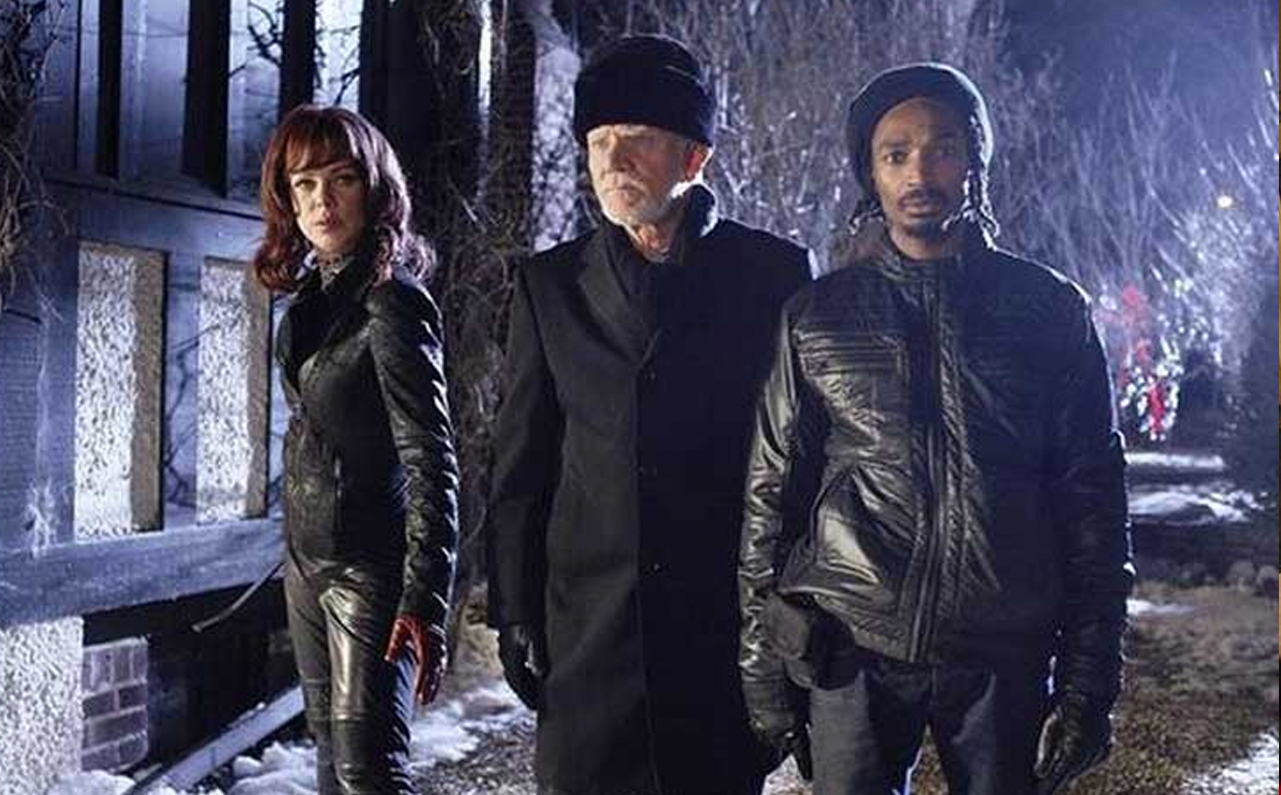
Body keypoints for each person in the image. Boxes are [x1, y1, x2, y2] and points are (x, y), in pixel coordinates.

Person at [737, 63, 1134, 795]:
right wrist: (764, 668)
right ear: (871, 173)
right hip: (852, 645)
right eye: (896, 154)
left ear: (974, 161)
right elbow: (771, 495)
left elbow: (1094, 503)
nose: (919, 173)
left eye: (941, 149)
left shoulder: (1048, 310)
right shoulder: (818, 316)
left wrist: (1088, 685)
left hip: (1004, 652)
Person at [486, 34, 814, 795]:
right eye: (599, 141)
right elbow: (521, 462)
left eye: (637, 138)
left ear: (695, 156)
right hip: (588, 628)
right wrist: (515, 608)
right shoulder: (550, 286)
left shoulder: (769, 275)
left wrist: (791, 616)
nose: (613, 160)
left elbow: (803, 459)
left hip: (716, 628)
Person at [254, 105, 459, 795]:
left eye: (340, 179)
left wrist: (424, 596)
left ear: (373, 189)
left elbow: (430, 454)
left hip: (371, 571)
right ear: (287, 197)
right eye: (304, 183)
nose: (322, 201)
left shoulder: (392, 303)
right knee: (330, 765)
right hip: (306, 564)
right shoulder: (313, 297)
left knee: (369, 773)